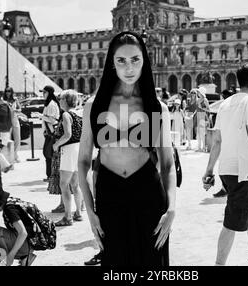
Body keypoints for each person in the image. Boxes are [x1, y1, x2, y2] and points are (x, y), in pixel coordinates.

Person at [78, 31, 176, 267]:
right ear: (112, 62)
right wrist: (90, 212)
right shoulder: (94, 105)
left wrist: (172, 208)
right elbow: (82, 161)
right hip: (109, 194)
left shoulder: (157, 107)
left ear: (145, 60)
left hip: (148, 192)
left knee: (152, 266)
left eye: (135, 59)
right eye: (121, 60)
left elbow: (167, 163)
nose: (129, 67)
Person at [202, 64, 248, 266]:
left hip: (228, 168)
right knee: (231, 223)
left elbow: (216, 141)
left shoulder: (225, 104)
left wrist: (209, 170)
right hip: (243, 170)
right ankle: (219, 264)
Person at [0, 187, 36, 266]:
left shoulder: (9, 209)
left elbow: (23, 233)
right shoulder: (12, 202)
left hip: (26, 245)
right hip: (30, 245)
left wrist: (11, 256)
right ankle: (25, 258)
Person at [51, 90, 84, 226]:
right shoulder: (78, 114)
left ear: (65, 100)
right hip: (78, 149)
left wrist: (56, 144)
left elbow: (67, 134)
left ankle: (67, 216)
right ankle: (79, 213)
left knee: (64, 184)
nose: (59, 101)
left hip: (69, 150)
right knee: (75, 185)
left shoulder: (65, 114)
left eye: (61, 98)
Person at [41, 85, 60, 183]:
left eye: (44, 92)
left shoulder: (51, 104)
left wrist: (41, 116)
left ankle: (51, 175)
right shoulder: (49, 103)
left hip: (51, 133)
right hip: (49, 132)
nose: (43, 94)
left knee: (48, 154)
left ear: (49, 93)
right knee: (48, 154)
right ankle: (50, 175)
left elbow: (52, 120)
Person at [3, 87, 22, 163]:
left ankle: (15, 155)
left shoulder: (15, 100)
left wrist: (15, 110)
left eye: (9, 91)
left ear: (11, 92)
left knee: (17, 138)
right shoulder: (3, 100)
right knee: (7, 138)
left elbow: (20, 109)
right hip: (6, 121)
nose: (8, 93)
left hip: (15, 120)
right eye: (6, 91)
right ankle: (8, 155)